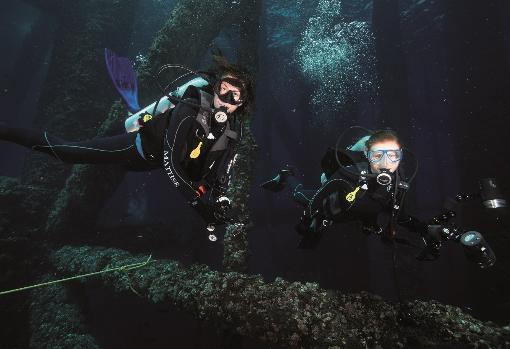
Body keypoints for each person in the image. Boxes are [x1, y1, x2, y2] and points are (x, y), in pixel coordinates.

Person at [0, 53, 254, 229]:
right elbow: (171, 163)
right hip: (136, 149)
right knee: (66, 152)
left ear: (242, 104)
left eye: (236, 96)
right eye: (224, 89)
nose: (227, 100)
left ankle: (128, 115)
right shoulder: (190, 107)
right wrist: (199, 206)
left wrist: (220, 200)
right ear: (215, 86)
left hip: (149, 164)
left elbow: (222, 173)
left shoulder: (233, 130)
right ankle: (5, 131)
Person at [261, 129, 430, 250]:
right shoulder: (349, 174)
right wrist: (308, 220)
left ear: (400, 157)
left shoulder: (398, 185)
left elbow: (400, 215)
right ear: (367, 154)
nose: (386, 164)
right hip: (332, 210)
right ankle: (286, 175)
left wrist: (425, 229)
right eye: (377, 156)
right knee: (297, 194)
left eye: (393, 156)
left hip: (355, 217)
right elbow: (318, 199)